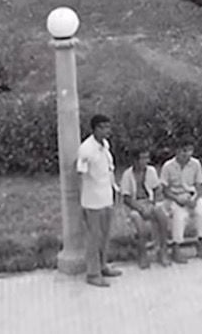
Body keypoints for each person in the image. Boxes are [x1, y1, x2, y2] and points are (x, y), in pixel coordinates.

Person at [76, 114, 122, 287]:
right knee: (93, 238)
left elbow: (108, 171)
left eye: (108, 127)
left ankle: (103, 266)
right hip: (92, 201)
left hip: (106, 197)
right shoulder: (86, 149)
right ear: (94, 129)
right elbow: (80, 174)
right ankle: (93, 273)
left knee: (105, 235)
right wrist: (82, 200)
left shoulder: (105, 146)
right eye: (102, 127)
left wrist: (114, 189)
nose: (106, 131)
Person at [119, 148, 172, 269]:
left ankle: (162, 250)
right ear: (135, 160)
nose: (146, 161)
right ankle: (142, 253)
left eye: (147, 158)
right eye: (142, 158)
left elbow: (156, 189)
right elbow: (126, 198)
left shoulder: (151, 171)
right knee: (139, 222)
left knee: (162, 215)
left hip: (149, 202)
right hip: (134, 205)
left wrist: (152, 204)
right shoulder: (127, 175)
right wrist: (141, 208)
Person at [160, 140, 202, 263]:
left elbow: (199, 185)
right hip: (175, 196)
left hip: (191, 195)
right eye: (183, 151)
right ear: (177, 151)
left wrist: (195, 198)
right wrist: (177, 199)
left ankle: (200, 242)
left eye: (189, 150)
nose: (187, 154)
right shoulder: (168, 166)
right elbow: (165, 190)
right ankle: (176, 248)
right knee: (179, 216)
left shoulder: (195, 164)